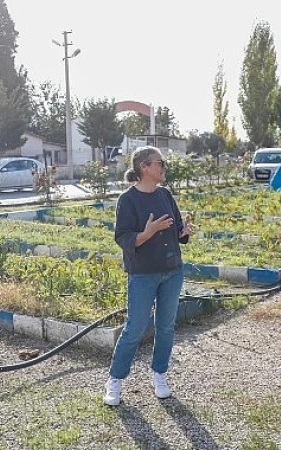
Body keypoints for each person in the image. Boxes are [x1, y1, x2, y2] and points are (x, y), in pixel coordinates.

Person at [103, 146, 193, 406]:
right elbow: (123, 237)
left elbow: (176, 229)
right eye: (159, 163)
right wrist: (148, 232)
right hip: (143, 273)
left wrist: (183, 231)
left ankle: (159, 375)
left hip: (172, 270)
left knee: (165, 326)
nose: (164, 167)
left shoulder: (165, 195)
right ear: (144, 167)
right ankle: (115, 380)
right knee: (135, 327)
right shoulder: (128, 200)